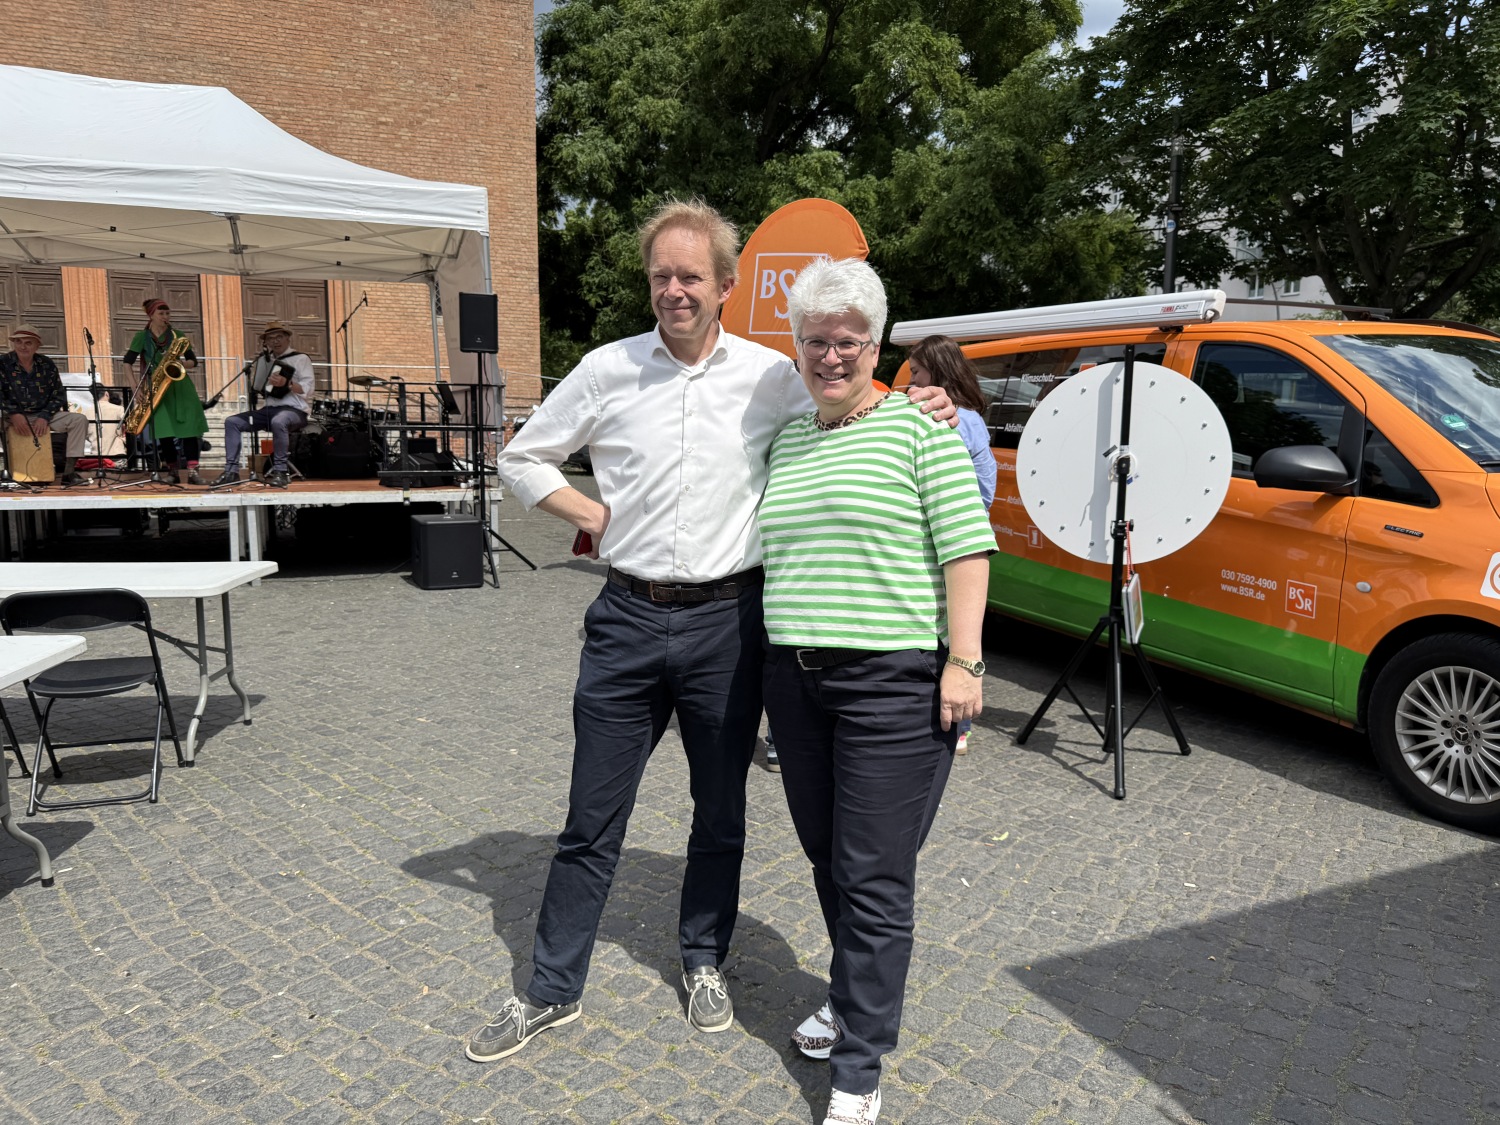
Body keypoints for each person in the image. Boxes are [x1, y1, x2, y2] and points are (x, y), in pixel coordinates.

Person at [472, 199, 954, 1066]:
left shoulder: (771, 376)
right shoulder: (607, 369)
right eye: (661, 275)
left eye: (691, 275)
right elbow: (518, 456)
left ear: (727, 284)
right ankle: (551, 986)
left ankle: (703, 957)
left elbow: (848, 396)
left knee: (720, 811)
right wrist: (586, 510)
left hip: (730, 624)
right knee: (591, 813)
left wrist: (922, 407)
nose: (674, 290)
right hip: (625, 617)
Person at [759, 258, 994, 1125]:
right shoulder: (788, 438)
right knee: (828, 856)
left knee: (875, 874)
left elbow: (968, 548)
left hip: (890, 684)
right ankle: (849, 996)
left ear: (874, 347)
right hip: (794, 678)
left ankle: (861, 1064)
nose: (830, 355)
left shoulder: (919, 429)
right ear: (797, 346)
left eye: (848, 341)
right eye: (816, 339)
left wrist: (963, 662)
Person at [907, 335, 998, 754]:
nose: (911, 380)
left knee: (948, 631)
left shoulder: (954, 419)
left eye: (916, 372)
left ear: (937, 372)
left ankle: (955, 720)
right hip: (961, 531)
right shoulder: (970, 417)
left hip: (949, 539)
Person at [214, 322, 313, 488]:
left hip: (295, 411)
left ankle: (281, 471)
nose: (275, 341)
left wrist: (287, 383)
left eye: (279, 337)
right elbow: (261, 388)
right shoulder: (264, 361)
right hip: (269, 410)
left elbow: (309, 390)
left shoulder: (300, 358)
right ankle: (231, 470)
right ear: (265, 342)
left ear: (288, 338)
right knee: (232, 422)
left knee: (279, 421)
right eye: (270, 338)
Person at [121, 298, 207, 483]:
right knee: (164, 431)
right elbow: (127, 362)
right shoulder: (141, 337)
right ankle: (173, 471)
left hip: (180, 385)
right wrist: (135, 386)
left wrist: (178, 363)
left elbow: (194, 361)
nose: (165, 317)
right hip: (157, 386)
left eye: (167, 313)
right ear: (151, 315)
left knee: (189, 429)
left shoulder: (177, 334)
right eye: (161, 313)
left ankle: (193, 473)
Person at [0, 325, 89, 485]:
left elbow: (58, 394)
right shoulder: (2, 363)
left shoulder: (47, 364)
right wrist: (14, 414)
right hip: (10, 415)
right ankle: (4, 471)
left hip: (43, 415)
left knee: (78, 420)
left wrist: (45, 416)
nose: (22, 346)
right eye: (18, 342)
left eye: (28, 343)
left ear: (37, 345)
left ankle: (69, 472)